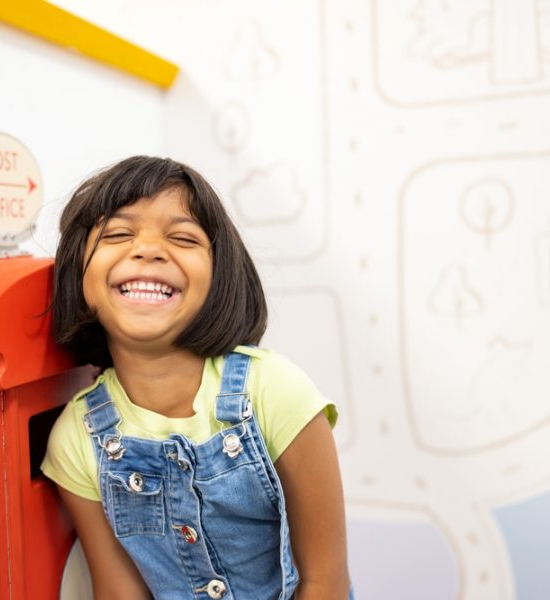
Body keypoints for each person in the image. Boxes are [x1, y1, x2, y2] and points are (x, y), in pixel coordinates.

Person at [41, 156, 352, 599]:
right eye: (118, 234)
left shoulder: (275, 391)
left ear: (219, 275)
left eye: (182, 237)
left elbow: (326, 582)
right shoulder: (77, 436)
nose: (147, 249)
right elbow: (118, 592)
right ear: (79, 275)